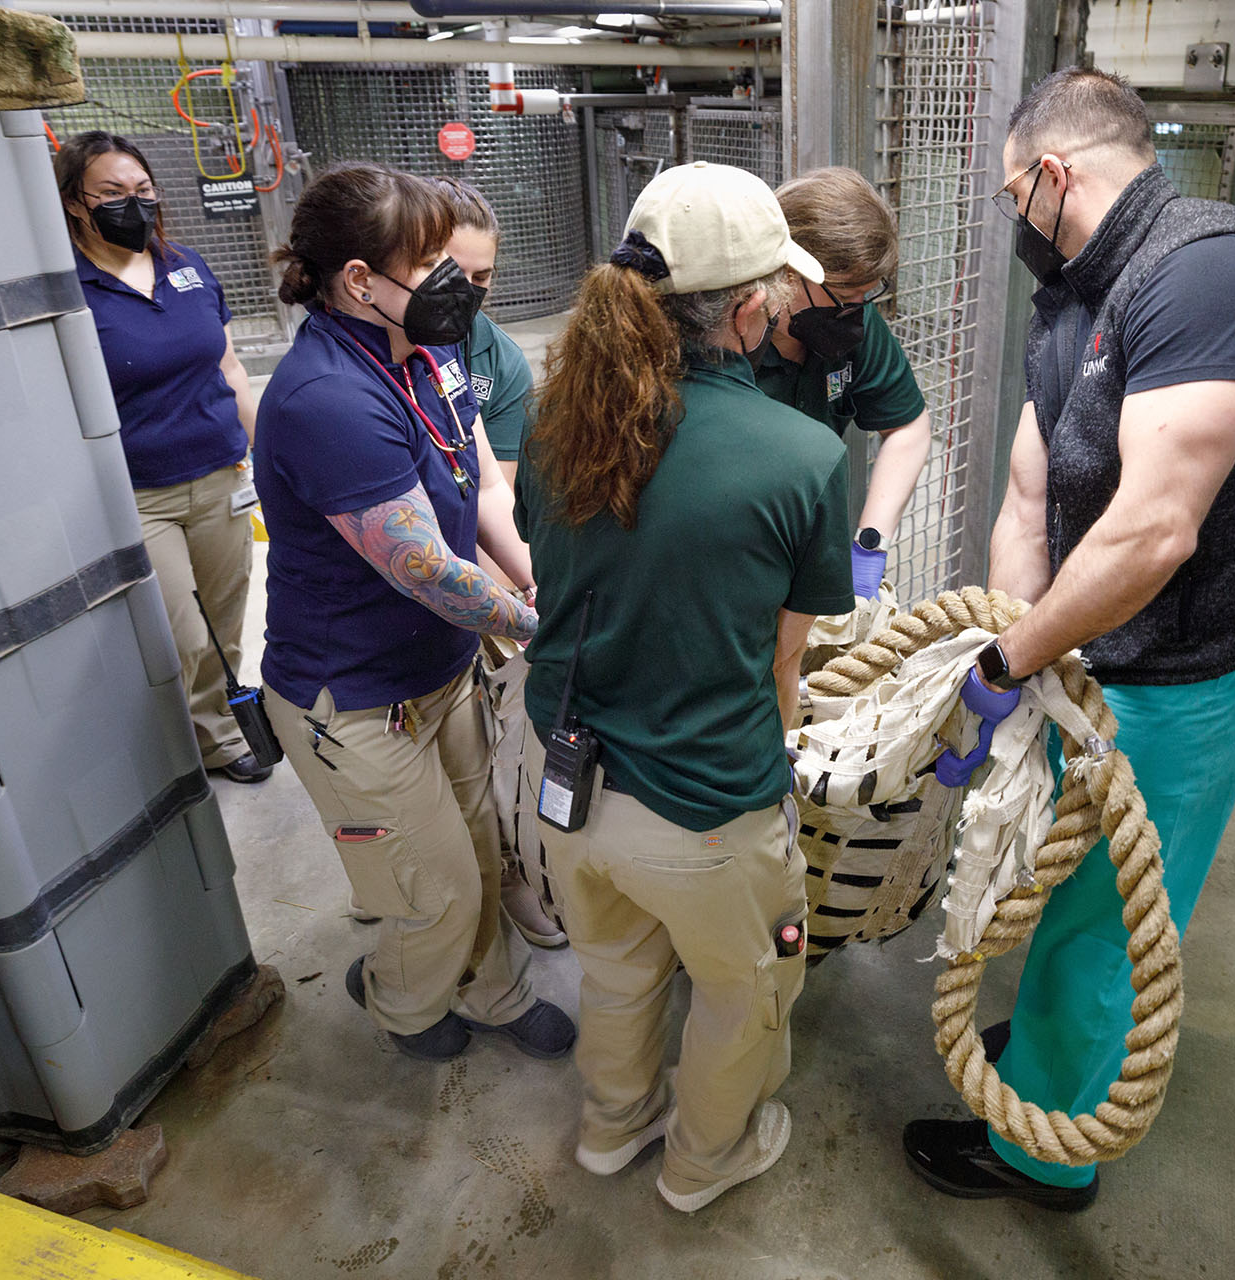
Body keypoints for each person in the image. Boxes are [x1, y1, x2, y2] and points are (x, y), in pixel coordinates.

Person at [900, 67, 1235, 1209]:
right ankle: (1046, 1040)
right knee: (1062, 864)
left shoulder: (1210, 271)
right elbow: (1031, 486)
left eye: (1009, 197)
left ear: (1051, 174)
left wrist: (1010, 661)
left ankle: (1044, 1149)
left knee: (1108, 904)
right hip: (1092, 645)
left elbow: (1153, 529)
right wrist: (1011, 637)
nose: (1013, 221)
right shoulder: (1077, 291)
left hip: (1187, 660)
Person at [515, 161, 852, 1212]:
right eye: (780, 293)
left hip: (567, 782)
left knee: (615, 966)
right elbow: (784, 662)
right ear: (749, 308)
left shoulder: (554, 424)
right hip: (705, 808)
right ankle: (705, 1160)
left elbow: (549, 559)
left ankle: (613, 1130)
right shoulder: (800, 455)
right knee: (745, 989)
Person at [254, 161, 574, 1063]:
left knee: (479, 857)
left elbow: (472, 493)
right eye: (430, 262)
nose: (452, 283)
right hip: (351, 701)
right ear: (360, 281)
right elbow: (424, 566)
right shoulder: (327, 400)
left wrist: (529, 574)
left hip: (434, 674)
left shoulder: (424, 356)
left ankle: (493, 993)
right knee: (432, 889)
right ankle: (401, 994)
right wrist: (540, 630)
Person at [57, 130, 269, 784]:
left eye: (143, 190)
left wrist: (268, 454)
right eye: (113, 193)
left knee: (227, 620)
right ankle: (195, 734)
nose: (133, 203)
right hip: (141, 492)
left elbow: (228, 365)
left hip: (221, 476)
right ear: (75, 204)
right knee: (184, 634)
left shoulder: (188, 267)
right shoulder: (69, 290)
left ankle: (218, 729)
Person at [426, 175, 565, 950]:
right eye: (453, 273)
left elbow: (493, 493)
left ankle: (512, 872)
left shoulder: (495, 359)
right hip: (392, 569)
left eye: (483, 278)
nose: (469, 294)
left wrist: (518, 595)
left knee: (498, 735)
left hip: (472, 558)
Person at [762, 167, 931, 600]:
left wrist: (869, 544)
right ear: (787, 270)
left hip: (809, 542)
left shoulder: (850, 325)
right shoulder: (728, 339)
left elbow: (908, 428)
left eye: (866, 297)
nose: (856, 313)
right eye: (846, 296)